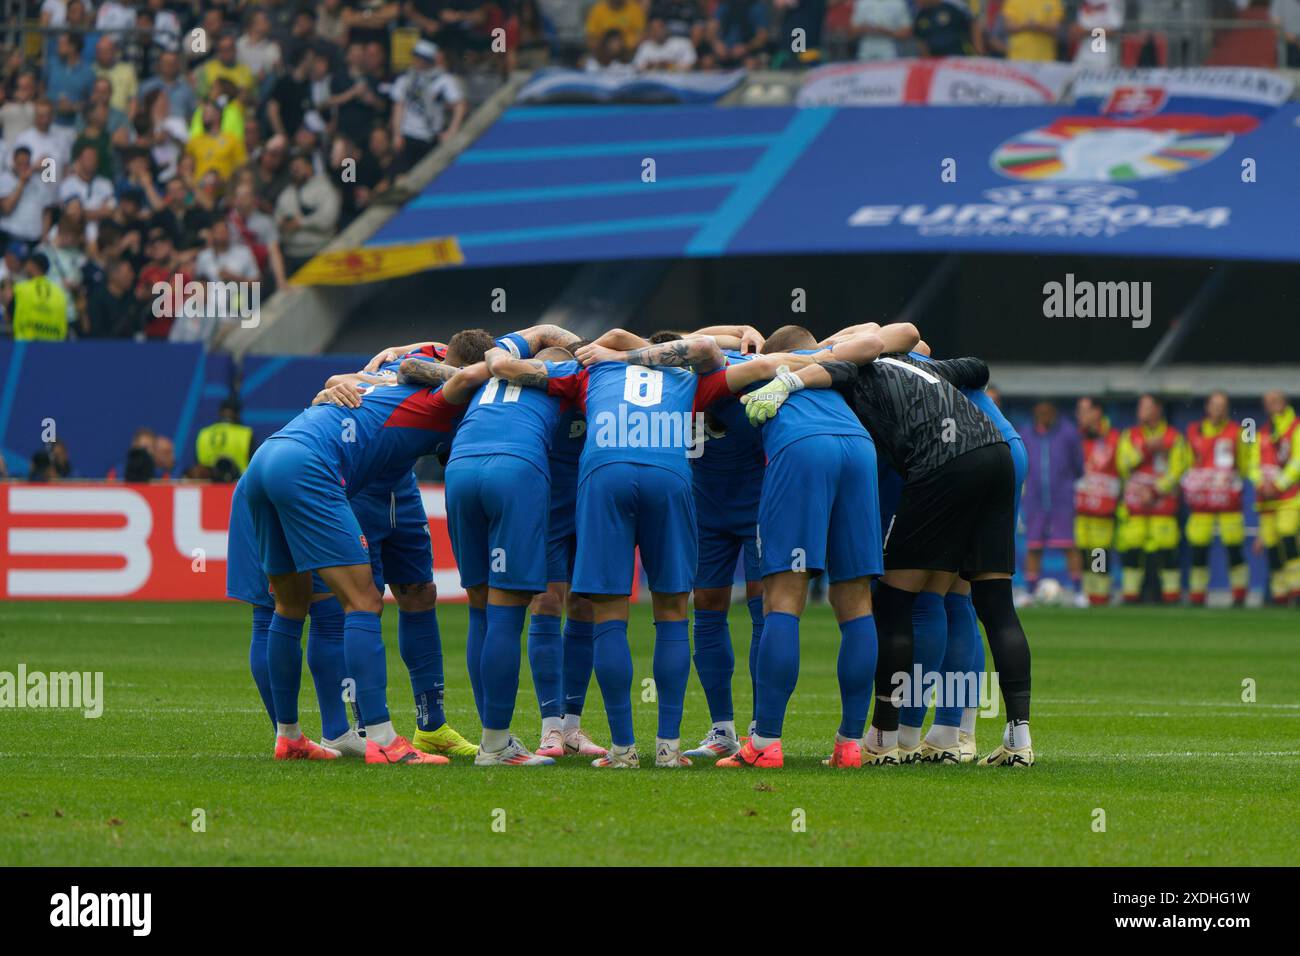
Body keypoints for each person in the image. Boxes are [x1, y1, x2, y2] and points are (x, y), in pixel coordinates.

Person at [744, 329, 1036, 767]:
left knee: (902, 600)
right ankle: (997, 737)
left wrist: (788, 378)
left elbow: (829, 368)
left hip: (944, 463)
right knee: (988, 603)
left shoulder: (850, 374)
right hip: (997, 451)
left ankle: (890, 736)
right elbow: (974, 366)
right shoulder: (920, 366)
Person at [239, 351, 488, 765]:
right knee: (364, 602)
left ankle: (289, 737)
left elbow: (398, 362)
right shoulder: (441, 399)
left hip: (268, 455)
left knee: (290, 604)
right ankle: (384, 740)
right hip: (310, 467)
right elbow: (474, 373)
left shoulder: (384, 378)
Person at [1116, 394, 1190, 604]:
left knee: (1167, 553)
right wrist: (1145, 448)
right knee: (1132, 552)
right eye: (1140, 406)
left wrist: (1156, 491)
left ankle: (1171, 598)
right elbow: (1123, 464)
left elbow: (1178, 470)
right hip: (1136, 508)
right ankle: (1131, 598)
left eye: (1146, 407)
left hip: (1163, 507)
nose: (1141, 411)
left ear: (1157, 410)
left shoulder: (1174, 437)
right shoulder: (1130, 435)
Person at [1183, 392, 1251, 607]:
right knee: (1199, 548)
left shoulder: (1239, 431)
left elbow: (1246, 463)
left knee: (1234, 547)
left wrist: (1232, 481)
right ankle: (1197, 595)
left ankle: (1239, 595)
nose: (1218, 409)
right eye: (1214, 405)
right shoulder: (1193, 430)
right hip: (1202, 502)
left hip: (1228, 502)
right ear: (1207, 407)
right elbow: (1187, 463)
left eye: (1223, 405)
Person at [1020, 400, 1084, 605]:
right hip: (1035, 501)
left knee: (1069, 546)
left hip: (1061, 501)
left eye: (1047, 412)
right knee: (1033, 547)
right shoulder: (1026, 434)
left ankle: (1079, 593)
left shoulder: (1068, 433)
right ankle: (1029, 593)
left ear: (1054, 413)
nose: (1044, 416)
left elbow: (1078, 466)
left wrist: (1065, 487)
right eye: (1040, 412)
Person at [1073, 395, 1121, 607]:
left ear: (1097, 412)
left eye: (1084, 411)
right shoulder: (1075, 439)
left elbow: (1125, 470)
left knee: (1098, 552)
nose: (1079, 416)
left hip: (1103, 510)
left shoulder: (1115, 439)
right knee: (1083, 552)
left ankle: (1101, 595)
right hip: (1080, 509)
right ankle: (1087, 595)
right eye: (1078, 411)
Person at [1253, 390, 1300, 604]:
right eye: (1268, 402)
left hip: (1291, 496)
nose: (1272, 405)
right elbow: (1251, 465)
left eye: (1275, 401)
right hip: (1266, 498)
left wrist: (1279, 484)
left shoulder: (1296, 427)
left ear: (1285, 402)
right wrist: (1261, 483)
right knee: (1270, 543)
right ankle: (1279, 592)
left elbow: (1298, 461)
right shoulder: (1259, 431)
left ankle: (1297, 588)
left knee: (1287, 533)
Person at [389, 40, 465, 173]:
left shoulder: (443, 80)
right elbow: (399, 106)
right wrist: (397, 133)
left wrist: (452, 131)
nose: (416, 61)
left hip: (431, 136)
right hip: (408, 135)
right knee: (402, 175)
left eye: (420, 58)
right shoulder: (406, 78)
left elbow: (460, 105)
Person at [5, 252, 68, 341]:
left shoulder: (21, 289)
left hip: (26, 347)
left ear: (33, 266)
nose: (25, 267)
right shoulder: (59, 293)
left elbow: (8, 315)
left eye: (27, 263)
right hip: (53, 347)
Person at [196, 398, 254, 477]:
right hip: (236, 484)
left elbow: (198, 466)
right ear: (237, 414)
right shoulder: (245, 434)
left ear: (220, 412)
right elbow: (253, 466)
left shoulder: (204, 433)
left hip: (208, 484)